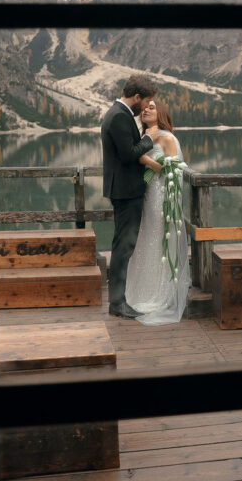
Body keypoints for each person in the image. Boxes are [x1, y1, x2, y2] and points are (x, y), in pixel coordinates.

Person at [126, 99, 190, 324]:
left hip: (161, 195)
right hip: (146, 193)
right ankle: (141, 291)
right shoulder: (143, 136)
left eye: (151, 108)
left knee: (158, 237)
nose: (145, 110)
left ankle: (160, 292)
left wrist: (145, 159)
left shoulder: (167, 138)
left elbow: (172, 169)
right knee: (145, 238)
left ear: (160, 113)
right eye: (144, 108)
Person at [101, 75, 159, 318]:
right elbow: (128, 154)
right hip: (126, 192)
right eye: (146, 101)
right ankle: (117, 303)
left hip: (123, 190)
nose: (146, 107)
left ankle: (118, 301)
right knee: (123, 247)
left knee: (123, 246)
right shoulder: (119, 117)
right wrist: (149, 139)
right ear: (136, 97)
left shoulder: (118, 113)